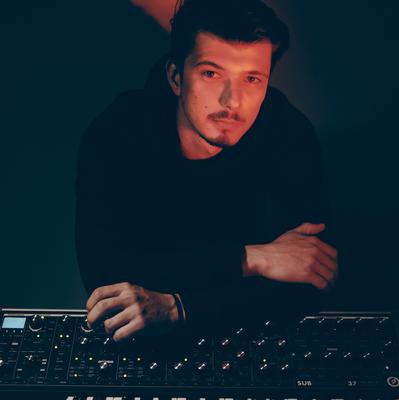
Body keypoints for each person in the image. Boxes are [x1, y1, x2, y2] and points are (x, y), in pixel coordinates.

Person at [75, 0, 338, 342]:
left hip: (254, 341)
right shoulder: (117, 133)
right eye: (211, 74)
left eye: (252, 79)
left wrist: (180, 307)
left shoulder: (288, 133)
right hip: (142, 339)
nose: (232, 101)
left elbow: (311, 278)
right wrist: (251, 259)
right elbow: (107, 283)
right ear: (176, 77)